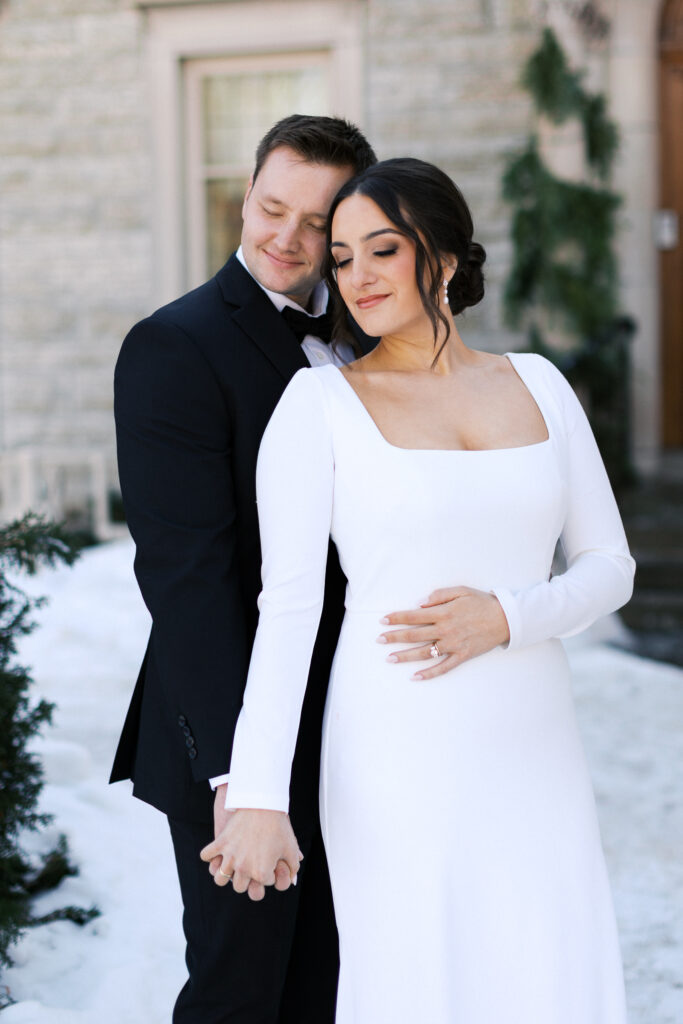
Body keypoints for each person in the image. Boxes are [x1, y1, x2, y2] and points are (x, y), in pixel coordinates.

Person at [202, 158, 635, 1023]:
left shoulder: (541, 384)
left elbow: (608, 567)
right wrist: (254, 795)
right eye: (343, 258)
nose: (356, 277)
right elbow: (287, 611)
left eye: (382, 251)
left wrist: (507, 616)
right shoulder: (317, 404)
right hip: (392, 749)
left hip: (534, 742)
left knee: (547, 961)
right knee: (414, 975)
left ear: (439, 259)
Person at [109, 114, 377, 1023]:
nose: (287, 239)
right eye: (271, 208)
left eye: (316, 223)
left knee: (332, 982)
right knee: (241, 987)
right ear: (245, 195)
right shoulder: (174, 345)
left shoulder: (368, 338)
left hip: (355, 720)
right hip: (236, 725)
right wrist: (241, 774)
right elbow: (186, 577)